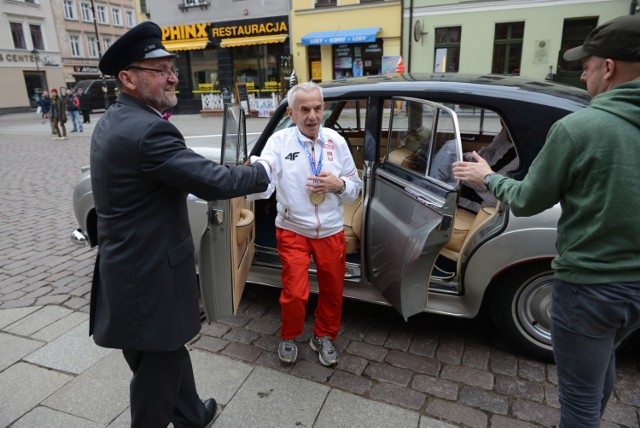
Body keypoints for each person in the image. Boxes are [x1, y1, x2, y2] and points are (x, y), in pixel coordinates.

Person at [452, 15, 640, 428]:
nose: (583, 75)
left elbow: (530, 198)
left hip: (590, 285)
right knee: (601, 364)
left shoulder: (580, 128)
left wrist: (486, 177)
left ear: (608, 68)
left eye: (586, 66)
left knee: (578, 405)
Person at [89, 21, 270, 428]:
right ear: (128, 78)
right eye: (160, 69)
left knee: (163, 354)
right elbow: (216, 181)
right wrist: (262, 171)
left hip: (130, 269)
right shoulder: (150, 130)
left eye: (171, 66)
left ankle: (190, 414)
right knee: (157, 372)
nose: (173, 76)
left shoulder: (116, 117)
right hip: (149, 280)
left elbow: (150, 181)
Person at [249, 82, 363, 366]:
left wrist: (339, 185)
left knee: (333, 291)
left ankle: (323, 336)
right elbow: (265, 179)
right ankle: (289, 335)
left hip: (331, 230)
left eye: (317, 108)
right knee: (295, 293)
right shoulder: (279, 142)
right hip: (293, 230)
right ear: (291, 112)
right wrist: (248, 175)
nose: (312, 116)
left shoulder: (336, 141)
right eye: (304, 109)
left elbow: (355, 187)